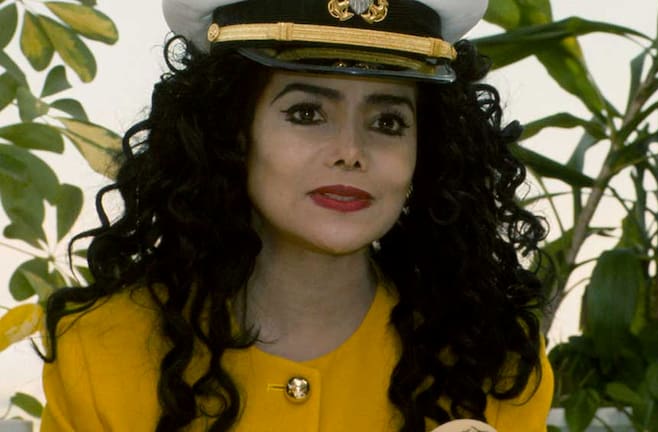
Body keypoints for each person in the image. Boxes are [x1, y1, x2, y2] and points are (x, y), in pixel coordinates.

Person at [39, 0, 554, 430]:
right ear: (232, 133)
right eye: (307, 113)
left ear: (428, 149)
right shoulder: (99, 351)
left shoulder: (496, 360)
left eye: (388, 122)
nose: (351, 152)